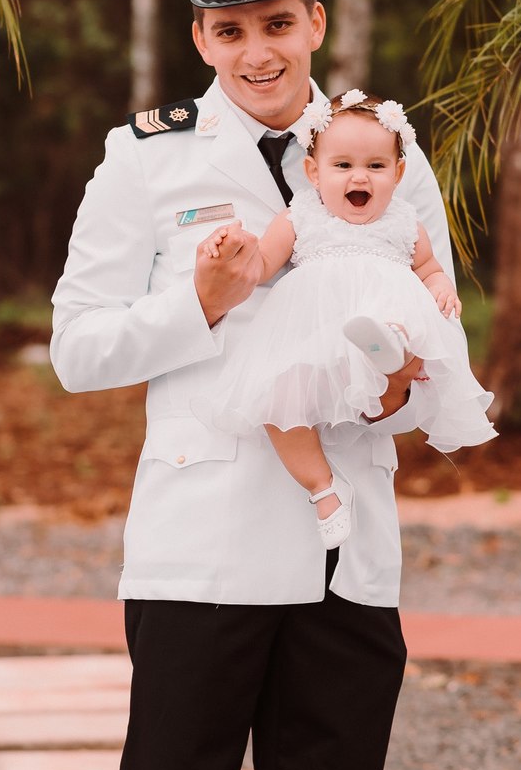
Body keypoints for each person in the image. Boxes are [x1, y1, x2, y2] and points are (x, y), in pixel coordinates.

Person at [50, 0, 486, 770]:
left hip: (348, 546)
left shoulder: (384, 145)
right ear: (201, 38)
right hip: (200, 541)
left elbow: (438, 320)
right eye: (232, 29)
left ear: (316, 22)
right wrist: (199, 298)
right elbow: (78, 346)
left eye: (278, 24)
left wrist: (402, 391)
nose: (258, 50)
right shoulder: (147, 161)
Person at [200, 89, 496, 545]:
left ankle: (388, 345)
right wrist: (230, 255)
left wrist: (440, 288)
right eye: (343, 165)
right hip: (317, 335)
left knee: (396, 326)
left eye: (376, 166)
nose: (360, 176)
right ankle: (323, 489)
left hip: (388, 321)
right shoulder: (301, 215)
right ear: (314, 172)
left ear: (398, 173)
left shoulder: (404, 222)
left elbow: (430, 268)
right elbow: (262, 265)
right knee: (277, 400)